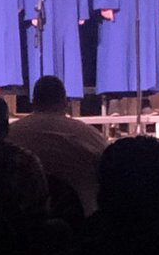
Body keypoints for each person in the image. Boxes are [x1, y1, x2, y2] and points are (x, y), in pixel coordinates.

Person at [7, 74, 109, 217]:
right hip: (83, 222)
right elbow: (109, 169)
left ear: (33, 101)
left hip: (20, 223)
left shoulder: (10, 135)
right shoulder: (90, 136)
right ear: (65, 103)